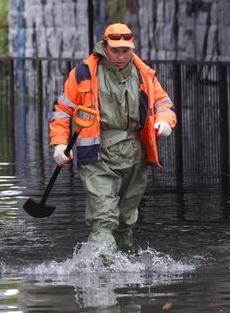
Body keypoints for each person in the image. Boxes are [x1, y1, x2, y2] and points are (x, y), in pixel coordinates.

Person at [49, 23, 176, 255]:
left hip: (135, 157)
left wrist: (166, 121)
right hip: (98, 157)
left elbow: (163, 103)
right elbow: (62, 111)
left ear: (132, 48)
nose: (120, 56)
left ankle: (121, 275)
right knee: (104, 219)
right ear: (104, 46)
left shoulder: (143, 74)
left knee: (126, 221)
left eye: (125, 50)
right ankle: (102, 279)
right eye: (115, 50)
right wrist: (59, 143)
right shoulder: (83, 74)